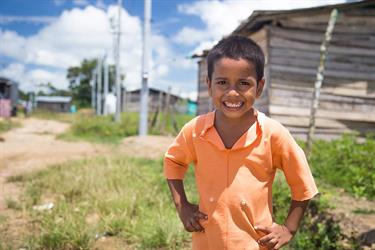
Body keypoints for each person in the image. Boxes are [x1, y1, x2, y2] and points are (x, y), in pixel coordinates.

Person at [164, 35, 319, 250]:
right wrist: (182, 206)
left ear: (259, 87)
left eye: (244, 83)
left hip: (255, 244)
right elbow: (174, 162)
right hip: (207, 242)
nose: (232, 93)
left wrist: (289, 229)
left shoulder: (272, 134)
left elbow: (303, 183)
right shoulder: (195, 131)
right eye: (222, 82)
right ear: (209, 86)